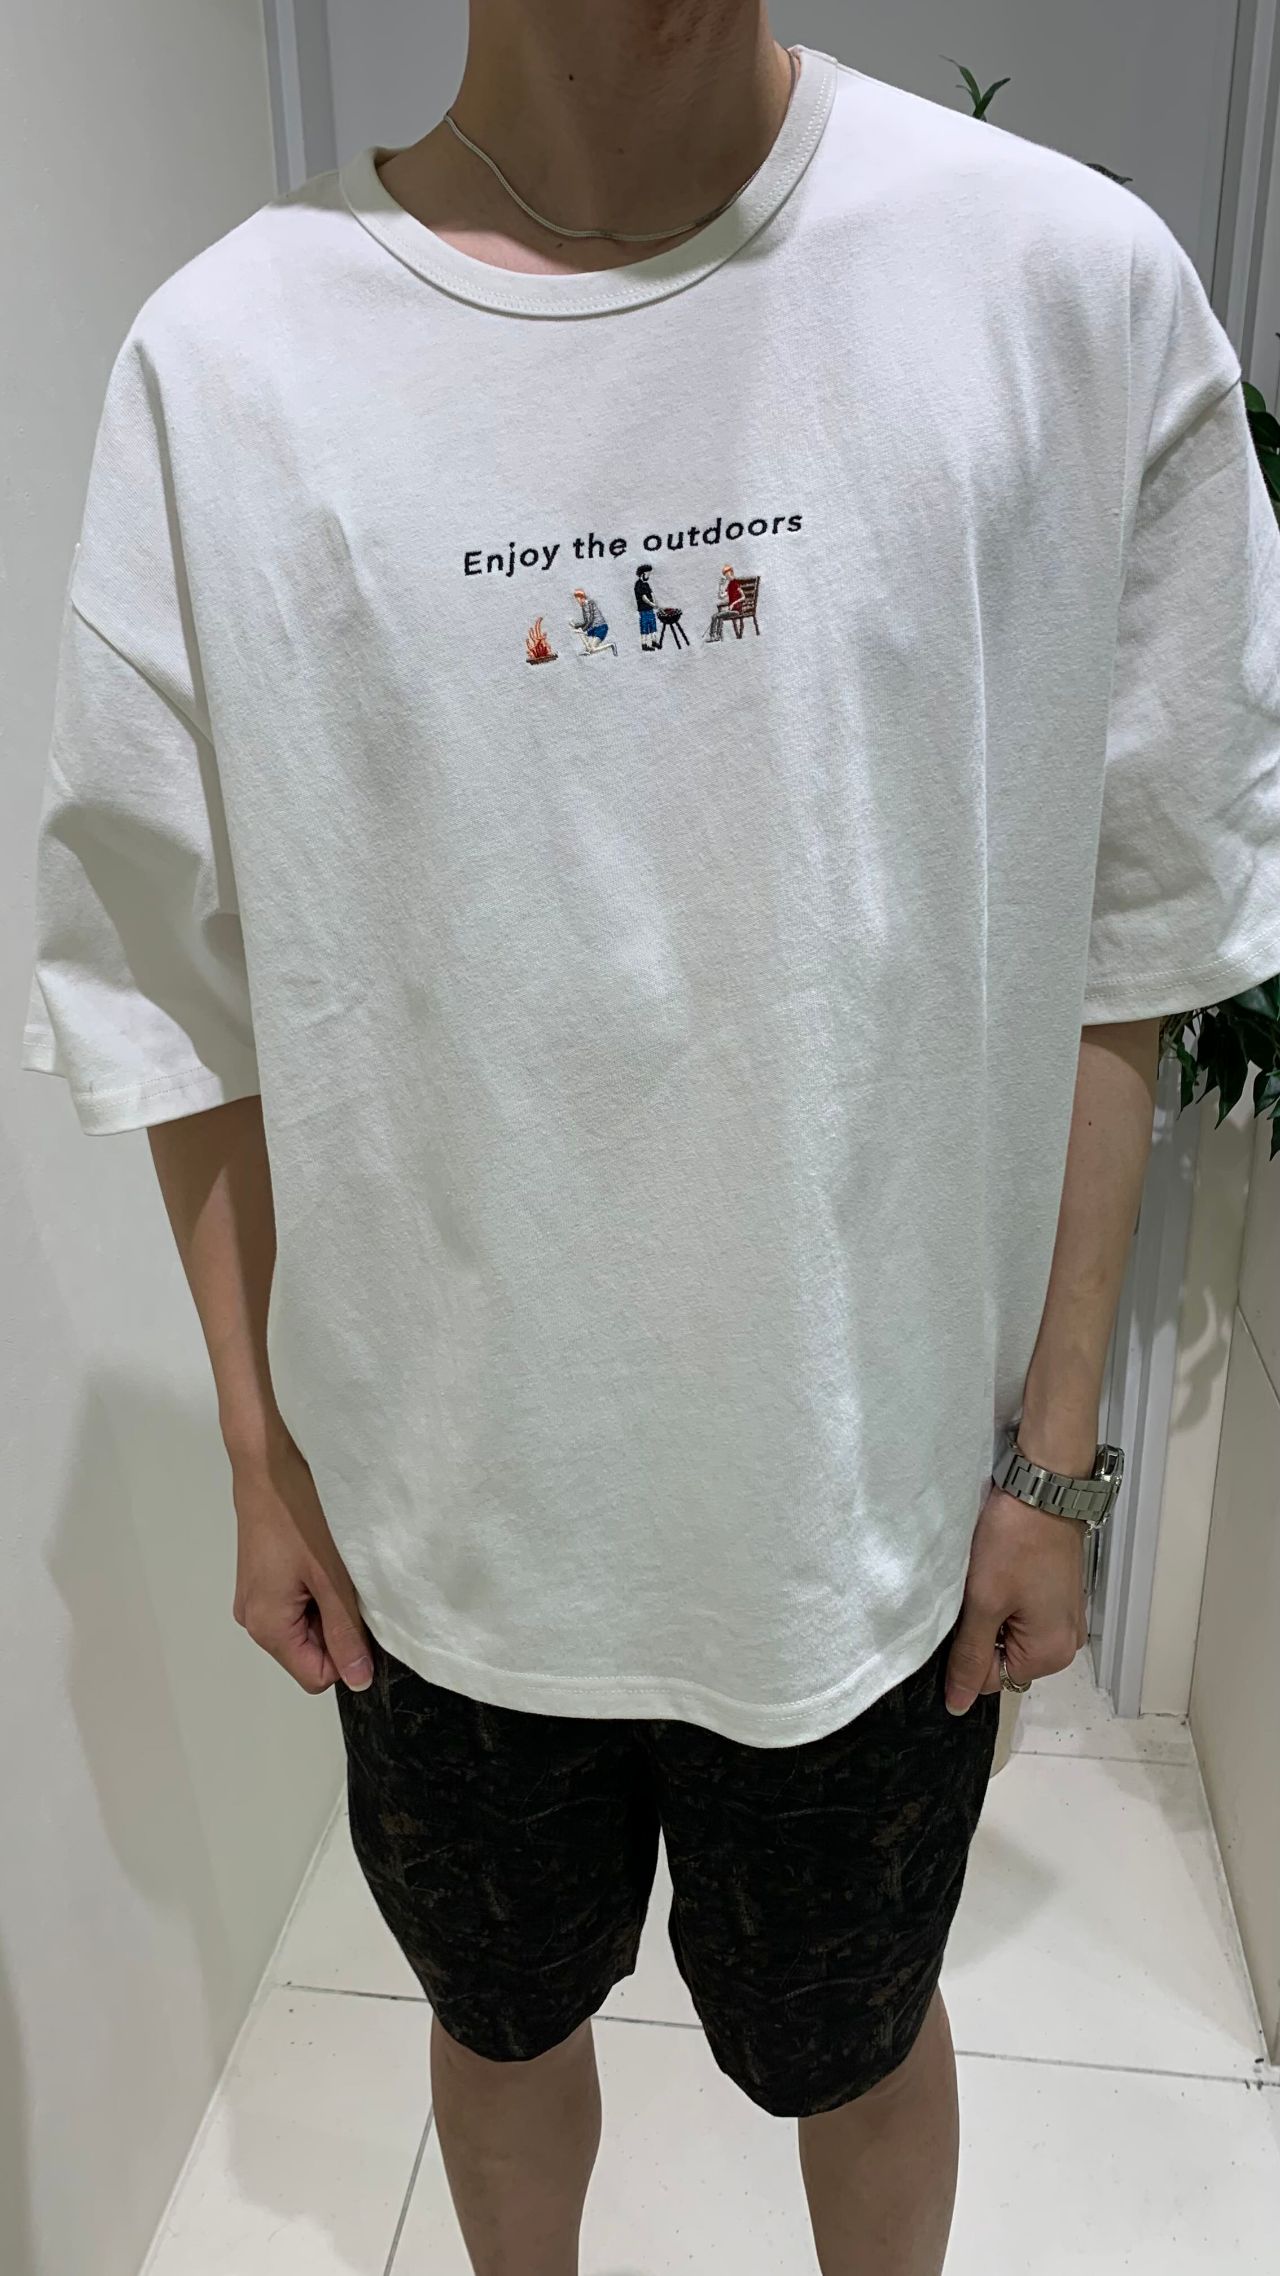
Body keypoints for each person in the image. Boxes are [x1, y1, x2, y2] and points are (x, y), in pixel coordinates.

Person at [21, 7, 1280, 2273]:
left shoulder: (1057, 288)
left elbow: (1152, 902)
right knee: (499, 2029)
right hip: (443, 1533)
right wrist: (257, 1448)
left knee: (856, 2046)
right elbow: (165, 975)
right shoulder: (231, 366)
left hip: (868, 1521)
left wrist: (1057, 1452)